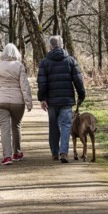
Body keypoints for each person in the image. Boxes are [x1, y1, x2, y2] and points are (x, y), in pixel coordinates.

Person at [37, 35, 86, 163]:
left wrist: (42, 98)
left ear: (50, 46)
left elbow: (42, 83)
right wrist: (81, 94)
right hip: (66, 100)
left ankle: (54, 152)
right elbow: (78, 79)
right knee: (65, 125)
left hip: (51, 101)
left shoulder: (45, 62)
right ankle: (63, 152)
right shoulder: (70, 60)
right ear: (62, 45)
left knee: (53, 126)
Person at [0, 43, 33, 166]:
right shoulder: (19, 66)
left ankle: (7, 157)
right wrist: (28, 102)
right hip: (17, 102)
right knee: (16, 126)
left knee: (4, 128)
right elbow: (24, 85)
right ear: (16, 53)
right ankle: (17, 153)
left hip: (0, 101)